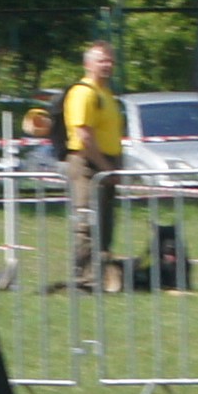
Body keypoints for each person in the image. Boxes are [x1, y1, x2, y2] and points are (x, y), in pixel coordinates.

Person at [63, 42, 124, 289]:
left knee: (106, 224)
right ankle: (84, 280)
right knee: (86, 224)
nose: (107, 65)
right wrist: (105, 167)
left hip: (105, 164)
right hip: (88, 164)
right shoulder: (83, 92)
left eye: (110, 60)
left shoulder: (106, 94)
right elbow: (84, 136)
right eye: (101, 60)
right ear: (88, 64)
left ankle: (99, 278)